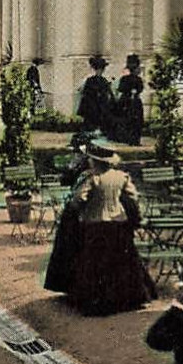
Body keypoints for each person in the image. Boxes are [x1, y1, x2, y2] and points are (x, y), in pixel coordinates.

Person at [63, 144, 154, 316]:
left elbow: (78, 198)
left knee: (95, 263)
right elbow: (133, 197)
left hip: (96, 223)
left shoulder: (92, 178)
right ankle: (126, 299)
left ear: (94, 161)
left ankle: (97, 301)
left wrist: (78, 210)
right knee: (120, 262)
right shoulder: (121, 176)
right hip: (118, 223)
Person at [78, 55, 115, 137]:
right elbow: (85, 93)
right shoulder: (91, 80)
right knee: (91, 123)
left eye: (102, 69)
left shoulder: (102, 80)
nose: (101, 71)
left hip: (98, 106)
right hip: (92, 106)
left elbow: (107, 92)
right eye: (100, 69)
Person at [113, 54, 146, 146]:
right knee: (133, 121)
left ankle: (130, 139)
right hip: (130, 102)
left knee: (131, 121)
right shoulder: (136, 79)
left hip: (128, 102)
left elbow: (121, 89)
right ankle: (132, 139)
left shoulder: (125, 79)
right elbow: (139, 89)